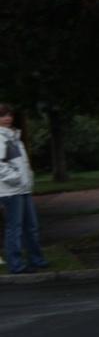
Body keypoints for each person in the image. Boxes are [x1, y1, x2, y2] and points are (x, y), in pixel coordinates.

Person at [0, 103, 48, 274]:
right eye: (2, 116)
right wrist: (15, 179)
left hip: (23, 189)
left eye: (9, 115)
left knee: (31, 226)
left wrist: (25, 179)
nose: (6, 118)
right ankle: (15, 265)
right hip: (10, 191)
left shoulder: (13, 136)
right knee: (14, 227)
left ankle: (36, 260)